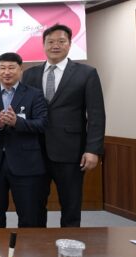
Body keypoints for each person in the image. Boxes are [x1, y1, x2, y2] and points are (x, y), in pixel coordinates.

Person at [22, 24, 106, 227]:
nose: (55, 45)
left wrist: (93, 150)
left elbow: (96, 114)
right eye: (50, 41)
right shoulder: (30, 74)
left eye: (61, 41)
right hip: (35, 152)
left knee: (70, 205)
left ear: (70, 44)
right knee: (34, 205)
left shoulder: (86, 73)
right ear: (43, 45)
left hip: (71, 152)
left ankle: (69, 245)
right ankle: (37, 244)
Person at [0, 53, 47, 228]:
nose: (7, 72)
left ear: (21, 70)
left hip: (26, 163)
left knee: (28, 214)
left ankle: (27, 246)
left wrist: (17, 122)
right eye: (3, 68)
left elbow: (43, 124)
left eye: (12, 68)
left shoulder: (34, 94)